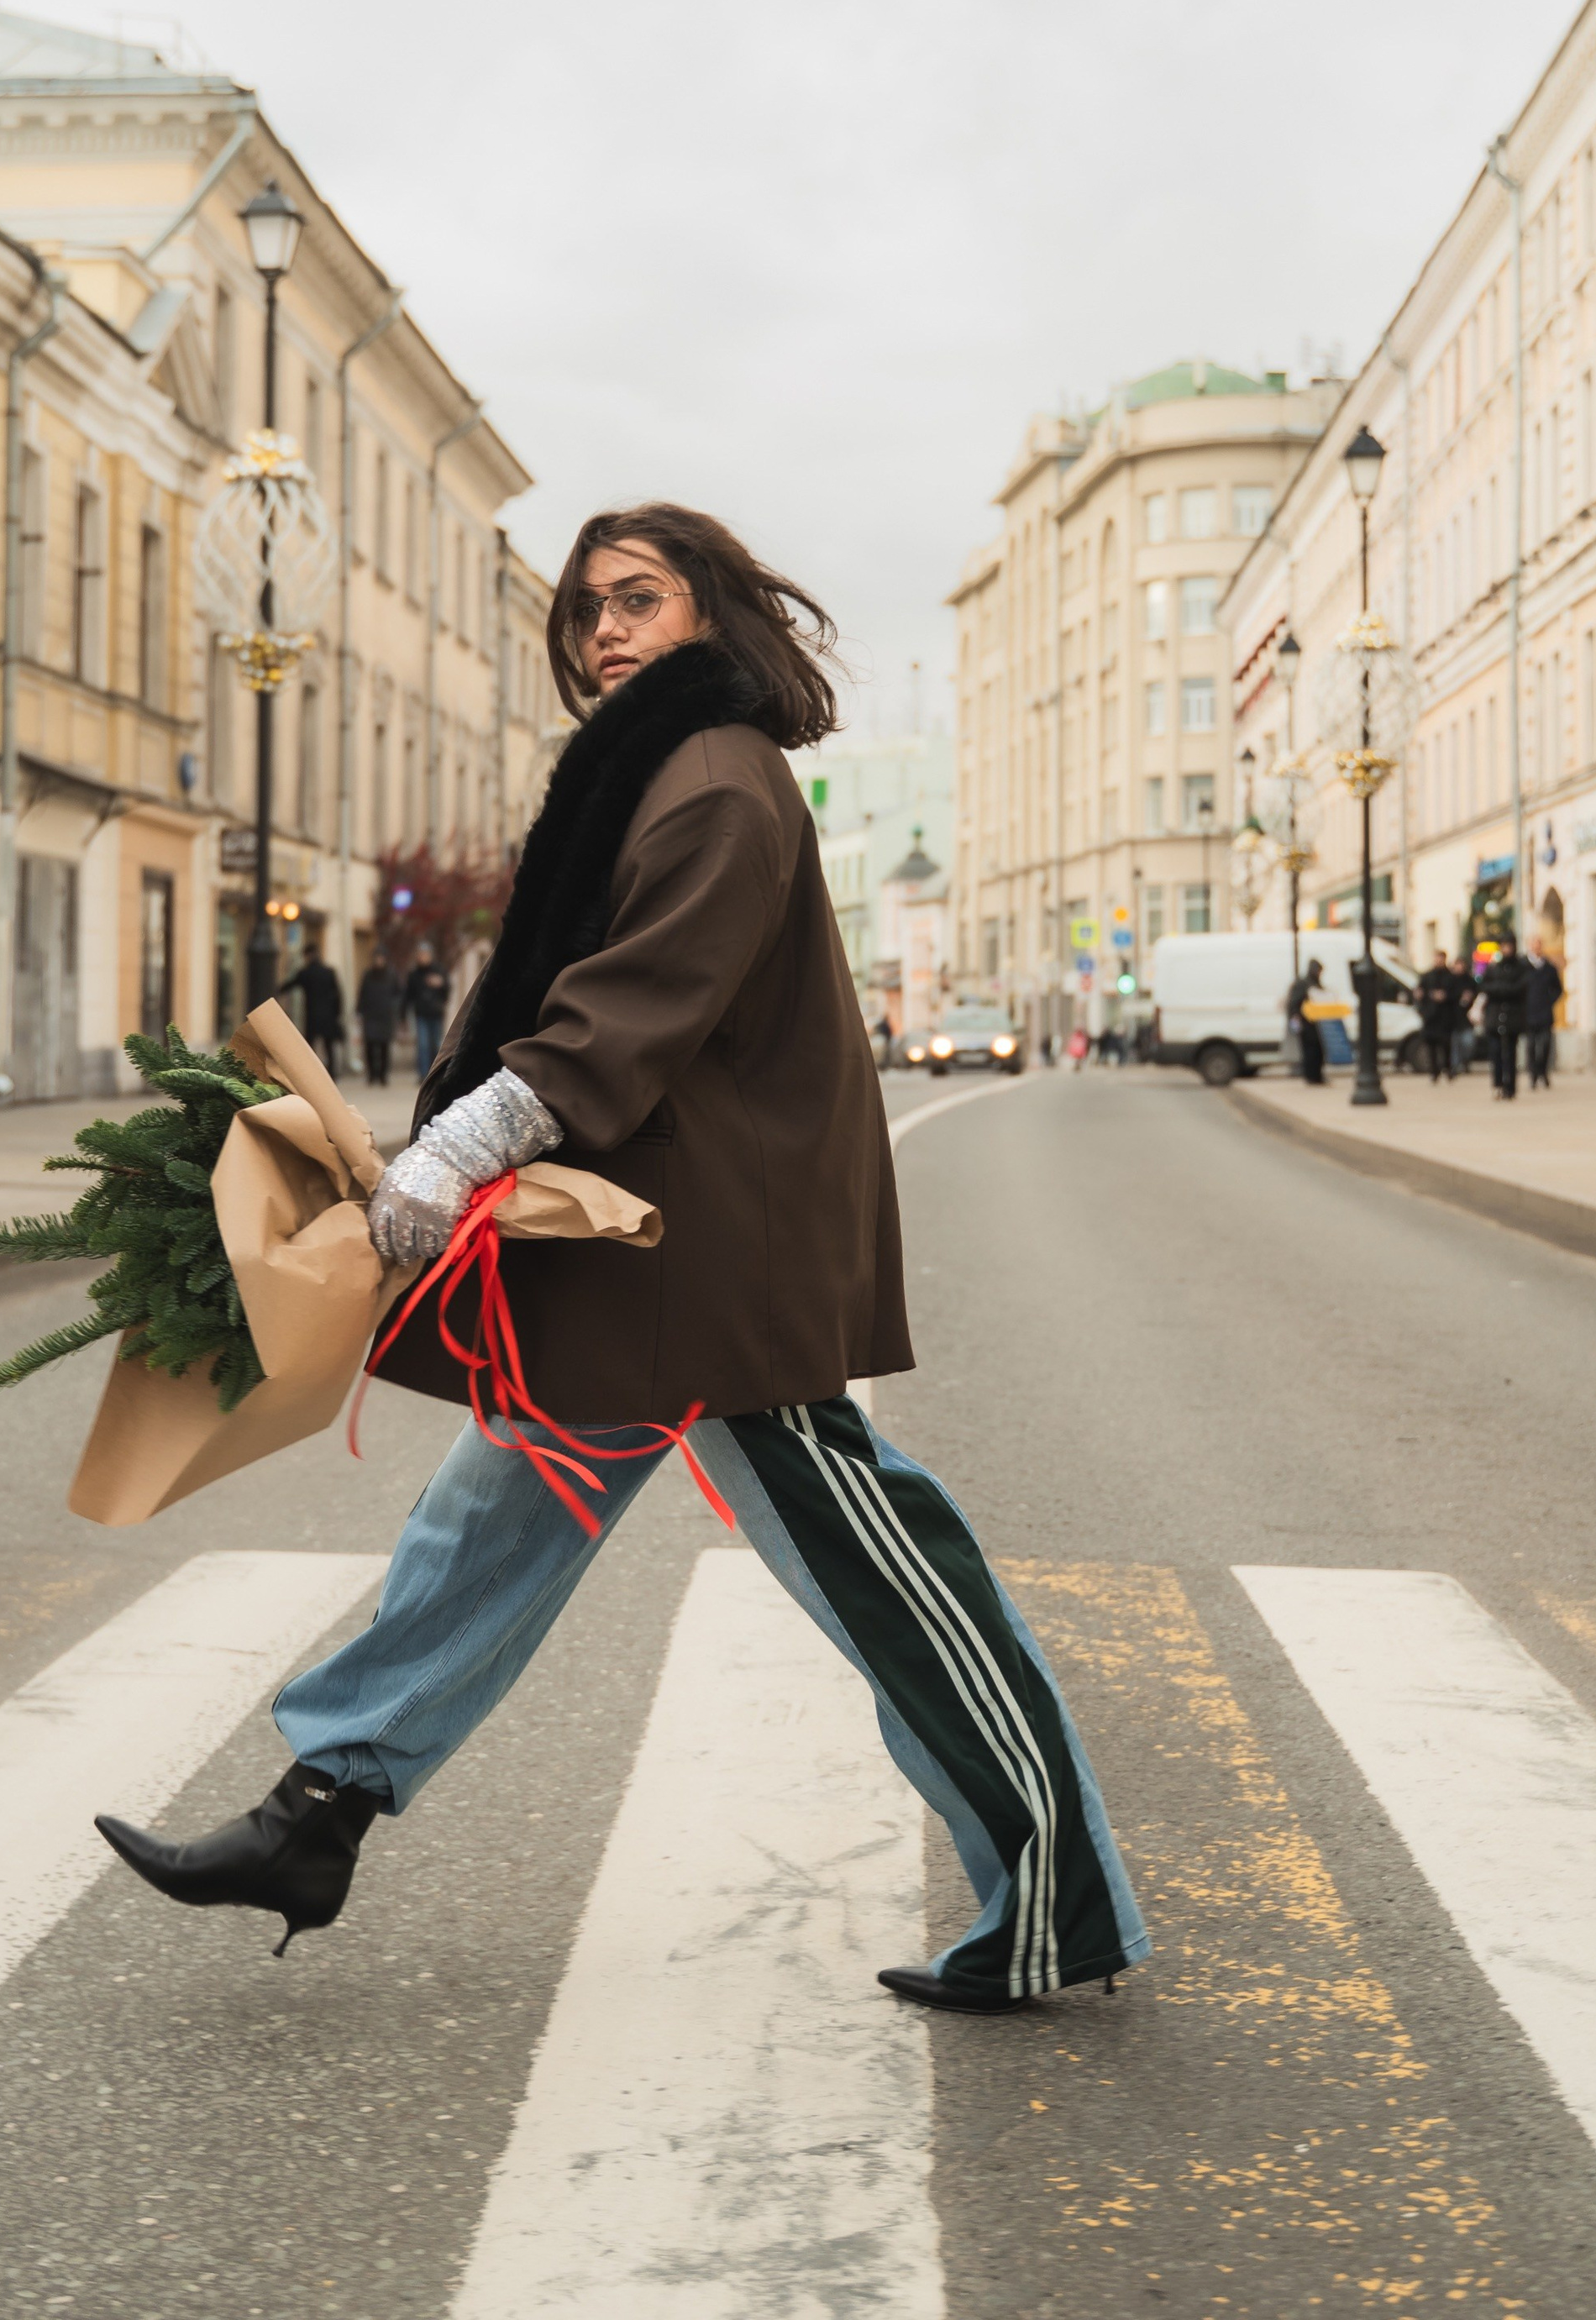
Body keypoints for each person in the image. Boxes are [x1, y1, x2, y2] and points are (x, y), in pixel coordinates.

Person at [97, 501, 1148, 2014]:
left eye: (638, 599)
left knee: (886, 1576)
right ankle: (315, 1816)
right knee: (485, 1527)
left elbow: (629, 1008)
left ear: (712, 615)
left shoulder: (717, 782)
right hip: (634, 1251)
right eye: (586, 607)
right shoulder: (649, 773)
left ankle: (1058, 1898)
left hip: (715, 1272)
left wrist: (463, 1147)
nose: (604, 629)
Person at [283, 940, 344, 1075]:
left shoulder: (306, 973)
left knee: (310, 1048)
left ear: (307, 955)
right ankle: (332, 1074)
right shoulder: (329, 972)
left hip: (312, 1015)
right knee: (329, 1047)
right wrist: (337, 1013)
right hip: (329, 1016)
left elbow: (289, 985)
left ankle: (311, 1074)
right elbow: (338, 995)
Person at [1476, 942, 1527, 1099]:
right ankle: (1497, 1083)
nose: (1507, 949)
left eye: (1509, 946)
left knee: (1510, 1054)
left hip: (1512, 1017)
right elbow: (1484, 986)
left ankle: (1510, 1086)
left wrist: (1502, 989)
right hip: (1494, 1017)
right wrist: (1503, 989)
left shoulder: (1520, 968)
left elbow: (1521, 988)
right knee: (1496, 1052)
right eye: (1504, 946)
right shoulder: (1493, 968)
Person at [1415, 949, 1468, 1083]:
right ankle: (1434, 1072)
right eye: (1436, 958)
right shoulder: (1427, 976)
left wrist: (1446, 996)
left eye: (1441, 958)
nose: (1438, 961)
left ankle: (1448, 1069)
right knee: (1431, 1045)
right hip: (1430, 1016)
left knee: (1446, 1045)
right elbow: (1419, 994)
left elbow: (1457, 994)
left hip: (1446, 1016)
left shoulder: (1451, 977)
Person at [403, 942, 451, 1083]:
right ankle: (423, 1075)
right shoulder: (414, 974)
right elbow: (408, 995)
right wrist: (403, 1016)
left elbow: (447, 991)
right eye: (420, 955)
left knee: (436, 1045)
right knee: (422, 1045)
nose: (423, 957)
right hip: (421, 1014)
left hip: (436, 1013)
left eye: (425, 955)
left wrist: (440, 984)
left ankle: (435, 1073)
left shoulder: (439, 971)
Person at [354, 956, 400, 1088]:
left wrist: (393, 1008)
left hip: (385, 1016)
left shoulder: (391, 975)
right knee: (369, 1045)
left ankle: (383, 1075)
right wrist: (359, 1010)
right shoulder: (368, 975)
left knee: (384, 1046)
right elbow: (362, 993)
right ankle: (371, 1074)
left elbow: (398, 994)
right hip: (370, 1015)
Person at [1525, 948, 1564, 1091]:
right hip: (1529, 1013)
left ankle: (1543, 1071)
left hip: (1545, 1013)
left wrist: (1549, 1001)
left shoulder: (1549, 968)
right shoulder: (1524, 967)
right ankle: (1533, 1075)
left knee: (1546, 1044)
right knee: (1531, 1046)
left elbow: (1558, 989)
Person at [1286, 958, 1326, 1085]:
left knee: (1317, 1050)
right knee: (1310, 1051)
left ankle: (1317, 1076)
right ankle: (1311, 1076)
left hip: (1316, 1022)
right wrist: (1296, 1022)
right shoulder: (1304, 984)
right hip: (1307, 1023)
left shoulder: (1311, 983)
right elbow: (1293, 1005)